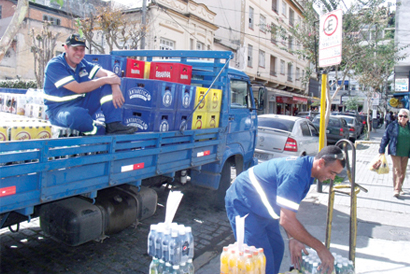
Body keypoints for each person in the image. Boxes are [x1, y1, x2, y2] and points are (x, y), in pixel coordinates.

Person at [225, 146, 345, 274]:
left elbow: (286, 211)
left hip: (262, 207)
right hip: (244, 203)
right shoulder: (296, 174)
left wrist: (293, 238)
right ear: (321, 163)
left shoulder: (307, 171)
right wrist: (320, 249)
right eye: (332, 172)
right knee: (261, 262)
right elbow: (286, 220)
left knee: (277, 249)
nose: (332, 178)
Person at [43, 34, 137, 135]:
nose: (79, 53)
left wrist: (115, 86)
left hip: (80, 103)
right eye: (75, 49)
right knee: (77, 116)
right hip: (59, 110)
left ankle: (113, 124)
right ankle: (99, 131)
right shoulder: (55, 65)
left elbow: (109, 74)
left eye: (82, 50)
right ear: (66, 48)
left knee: (106, 85)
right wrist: (107, 80)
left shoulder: (82, 63)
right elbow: (78, 88)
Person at [379, 108, 410, 197]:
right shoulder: (392, 125)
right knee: (397, 170)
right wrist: (382, 149)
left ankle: (399, 187)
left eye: (405, 116)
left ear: (408, 118)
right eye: (400, 116)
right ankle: (396, 189)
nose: (402, 118)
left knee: (403, 171)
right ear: (397, 117)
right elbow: (385, 137)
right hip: (395, 151)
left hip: (406, 152)